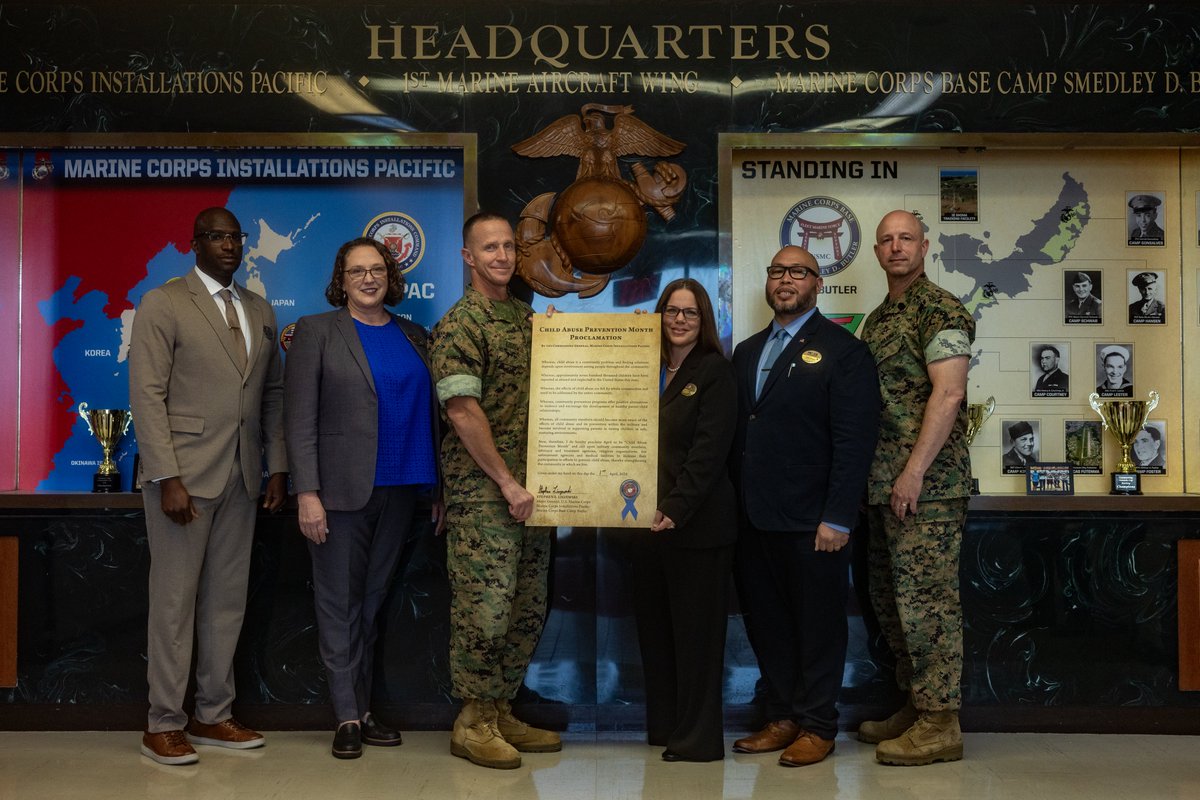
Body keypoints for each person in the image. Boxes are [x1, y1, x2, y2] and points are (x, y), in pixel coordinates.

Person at [129, 207, 288, 766]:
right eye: (216, 237)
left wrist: (278, 466)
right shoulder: (164, 302)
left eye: (236, 237)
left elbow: (271, 396)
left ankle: (213, 714)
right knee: (174, 605)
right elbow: (147, 394)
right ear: (194, 243)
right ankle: (163, 723)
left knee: (226, 603)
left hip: (244, 477)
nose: (229, 246)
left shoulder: (259, 309)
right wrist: (166, 475)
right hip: (183, 481)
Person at [284, 237, 441, 759]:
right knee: (338, 605)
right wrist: (307, 492)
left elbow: (434, 416)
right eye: (357, 272)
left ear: (390, 277)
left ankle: (367, 710)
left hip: (401, 489)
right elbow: (299, 420)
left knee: (371, 604)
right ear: (342, 280)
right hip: (339, 493)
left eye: (377, 270)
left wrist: (436, 486)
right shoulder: (316, 332)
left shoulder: (415, 335)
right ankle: (346, 715)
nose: (368, 279)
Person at [730, 247, 881, 767]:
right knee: (768, 624)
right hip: (754, 519)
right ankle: (783, 717)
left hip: (815, 522)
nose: (785, 280)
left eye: (798, 272)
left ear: (818, 284)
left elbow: (854, 442)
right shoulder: (746, 352)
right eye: (776, 271)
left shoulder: (844, 352)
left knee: (817, 626)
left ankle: (818, 724)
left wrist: (838, 516)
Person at [430, 212, 560, 770]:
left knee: (525, 607)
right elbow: (462, 410)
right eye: (490, 248)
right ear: (468, 257)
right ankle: (472, 721)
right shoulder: (462, 323)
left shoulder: (528, 318)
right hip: (486, 494)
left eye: (509, 246)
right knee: (486, 609)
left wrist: (565, 341)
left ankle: (502, 709)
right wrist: (506, 482)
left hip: (535, 491)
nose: (503, 256)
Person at [858, 210, 974, 766]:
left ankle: (941, 722)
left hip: (927, 486)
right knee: (894, 602)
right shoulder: (879, 318)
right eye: (887, 239)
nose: (897, 246)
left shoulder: (941, 308)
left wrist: (915, 471)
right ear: (876, 252)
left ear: (925, 245)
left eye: (906, 237)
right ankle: (917, 702)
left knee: (928, 604)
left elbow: (948, 395)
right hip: (884, 485)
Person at [630, 279, 737, 763]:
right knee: (657, 635)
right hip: (644, 528)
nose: (678, 320)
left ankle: (697, 740)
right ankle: (666, 728)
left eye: (690, 313)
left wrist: (675, 509)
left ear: (704, 320)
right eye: (671, 310)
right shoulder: (644, 367)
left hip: (695, 529)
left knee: (696, 640)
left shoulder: (714, 371)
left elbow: (708, 455)